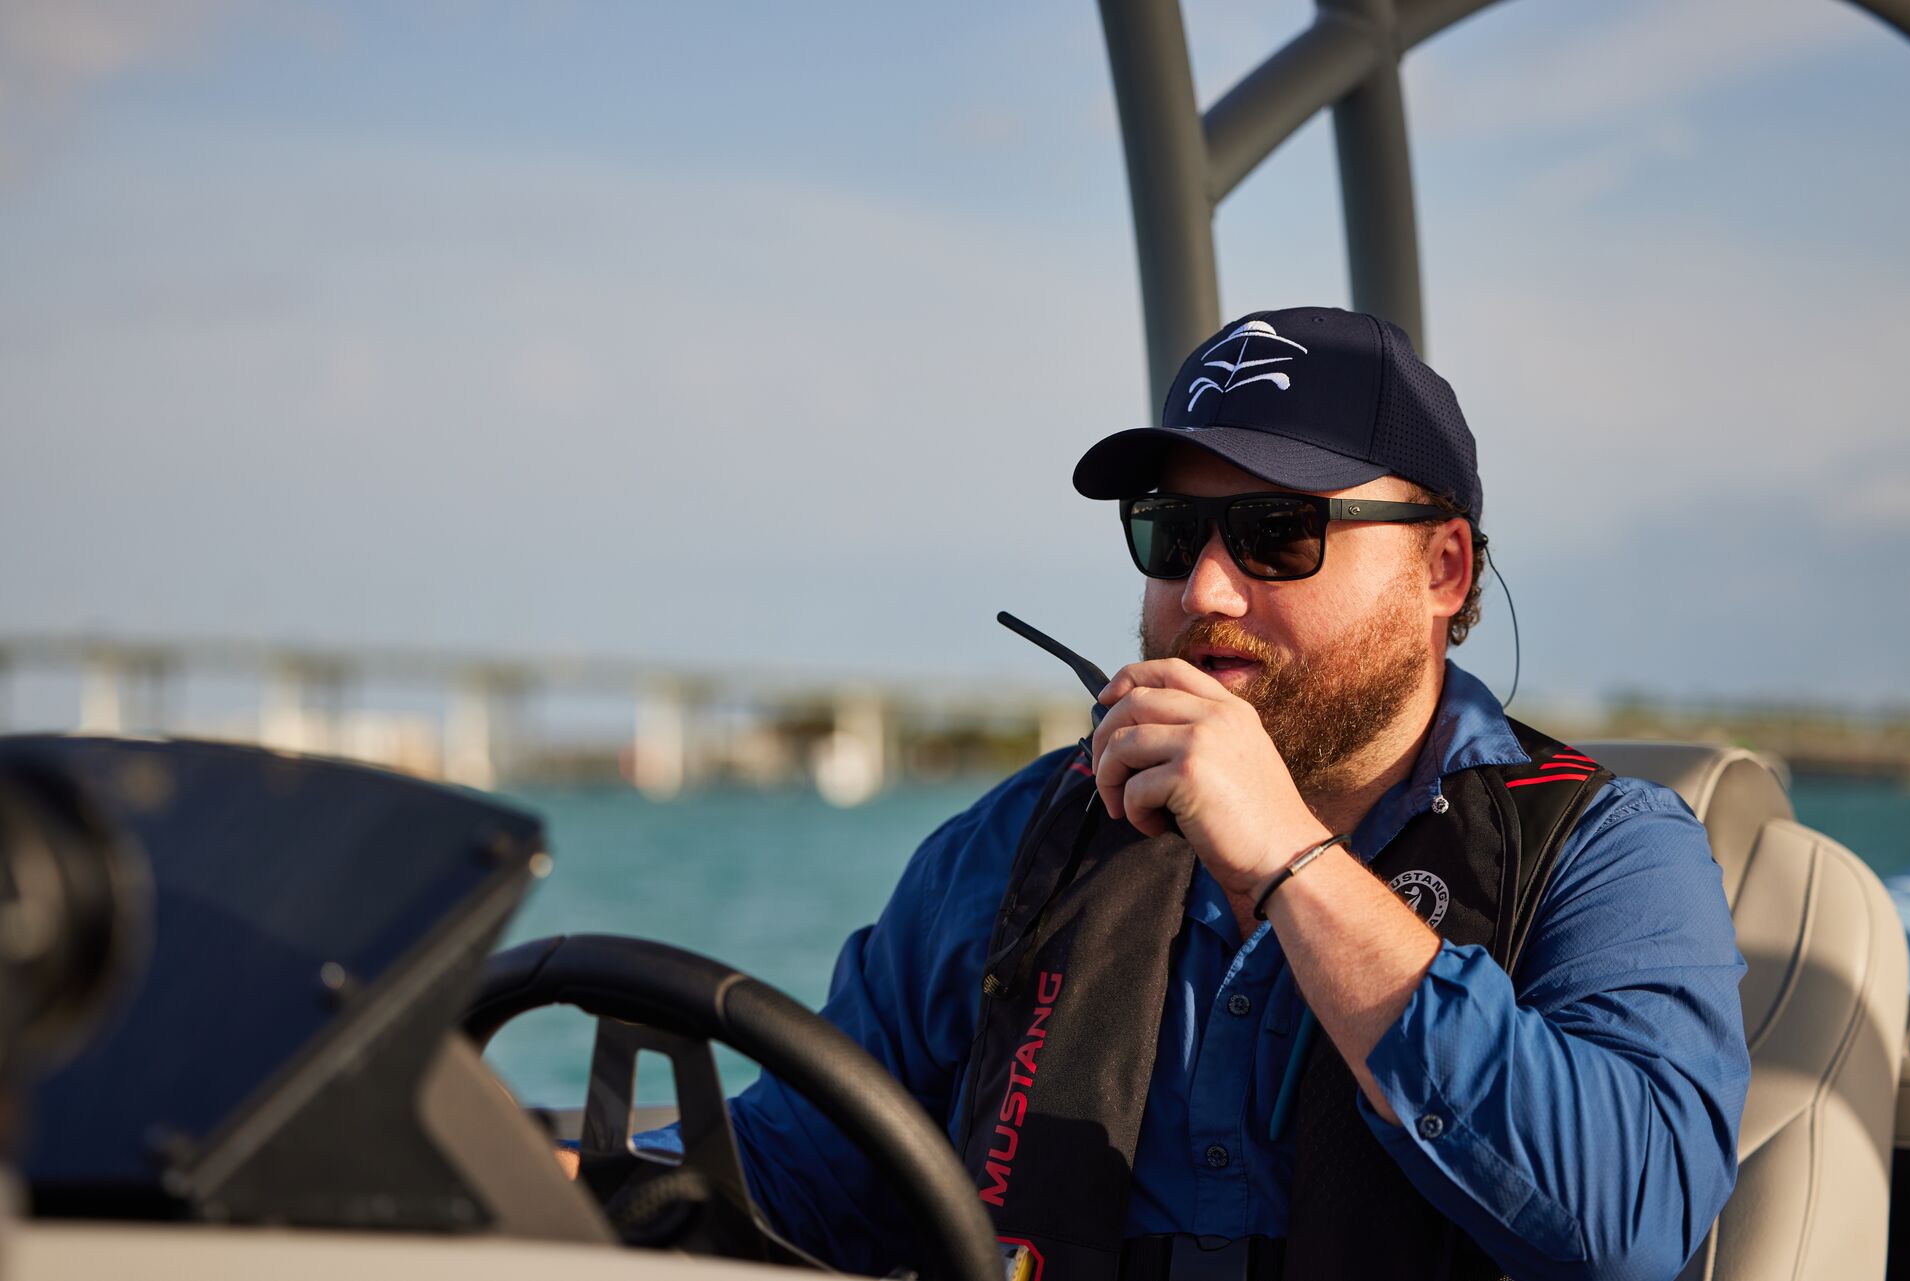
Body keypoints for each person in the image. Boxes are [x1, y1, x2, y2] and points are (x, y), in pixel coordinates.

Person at [668, 307, 1749, 1281]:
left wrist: (1287, 857)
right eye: (1173, 533)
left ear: (1444, 570)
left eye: (1280, 532)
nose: (1204, 590)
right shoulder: (1021, 842)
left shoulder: (1610, 851)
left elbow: (1630, 1221)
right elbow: (798, 1176)